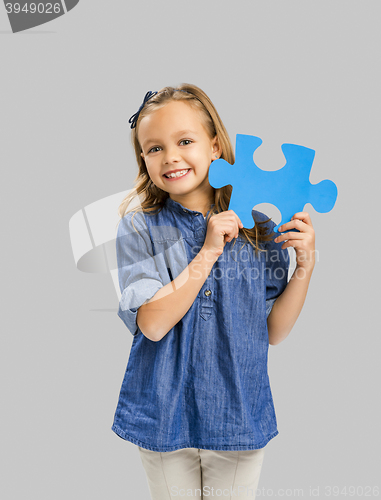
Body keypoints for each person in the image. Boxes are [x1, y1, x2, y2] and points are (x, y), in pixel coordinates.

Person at [111, 84, 316, 500]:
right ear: (143, 159)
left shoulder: (259, 227)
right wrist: (207, 252)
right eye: (153, 149)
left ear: (215, 146)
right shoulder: (139, 227)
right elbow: (151, 324)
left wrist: (305, 269)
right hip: (162, 415)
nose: (169, 156)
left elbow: (274, 331)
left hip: (238, 413)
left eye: (184, 141)